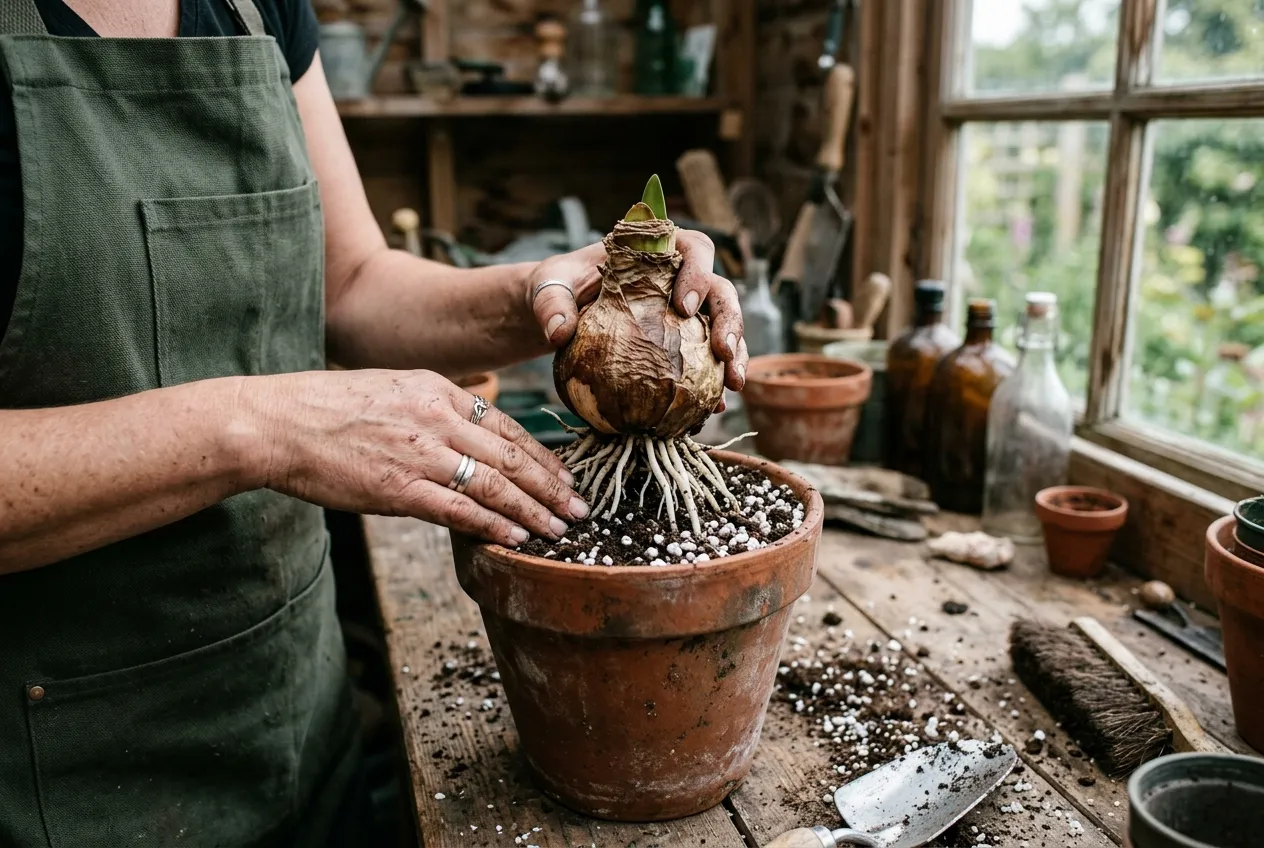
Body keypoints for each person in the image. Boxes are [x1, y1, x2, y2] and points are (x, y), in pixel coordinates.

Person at [0, 0, 748, 842]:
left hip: (293, 713)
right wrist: (260, 426)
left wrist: (556, 290)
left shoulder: (259, 8)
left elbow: (352, 284)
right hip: (53, 773)